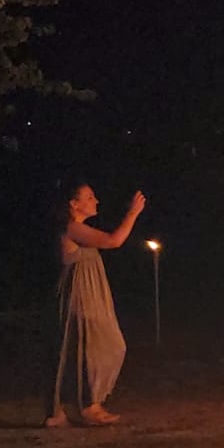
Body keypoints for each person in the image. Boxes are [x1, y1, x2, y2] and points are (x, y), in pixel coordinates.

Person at [47, 181, 146, 427]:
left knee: (97, 348)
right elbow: (113, 241)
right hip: (81, 297)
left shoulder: (78, 229)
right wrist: (132, 213)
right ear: (74, 204)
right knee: (96, 348)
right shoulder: (72, 228)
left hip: (90, 295)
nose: (96, 201)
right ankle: (87, 407)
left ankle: (79, 406)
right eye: (89, 197)